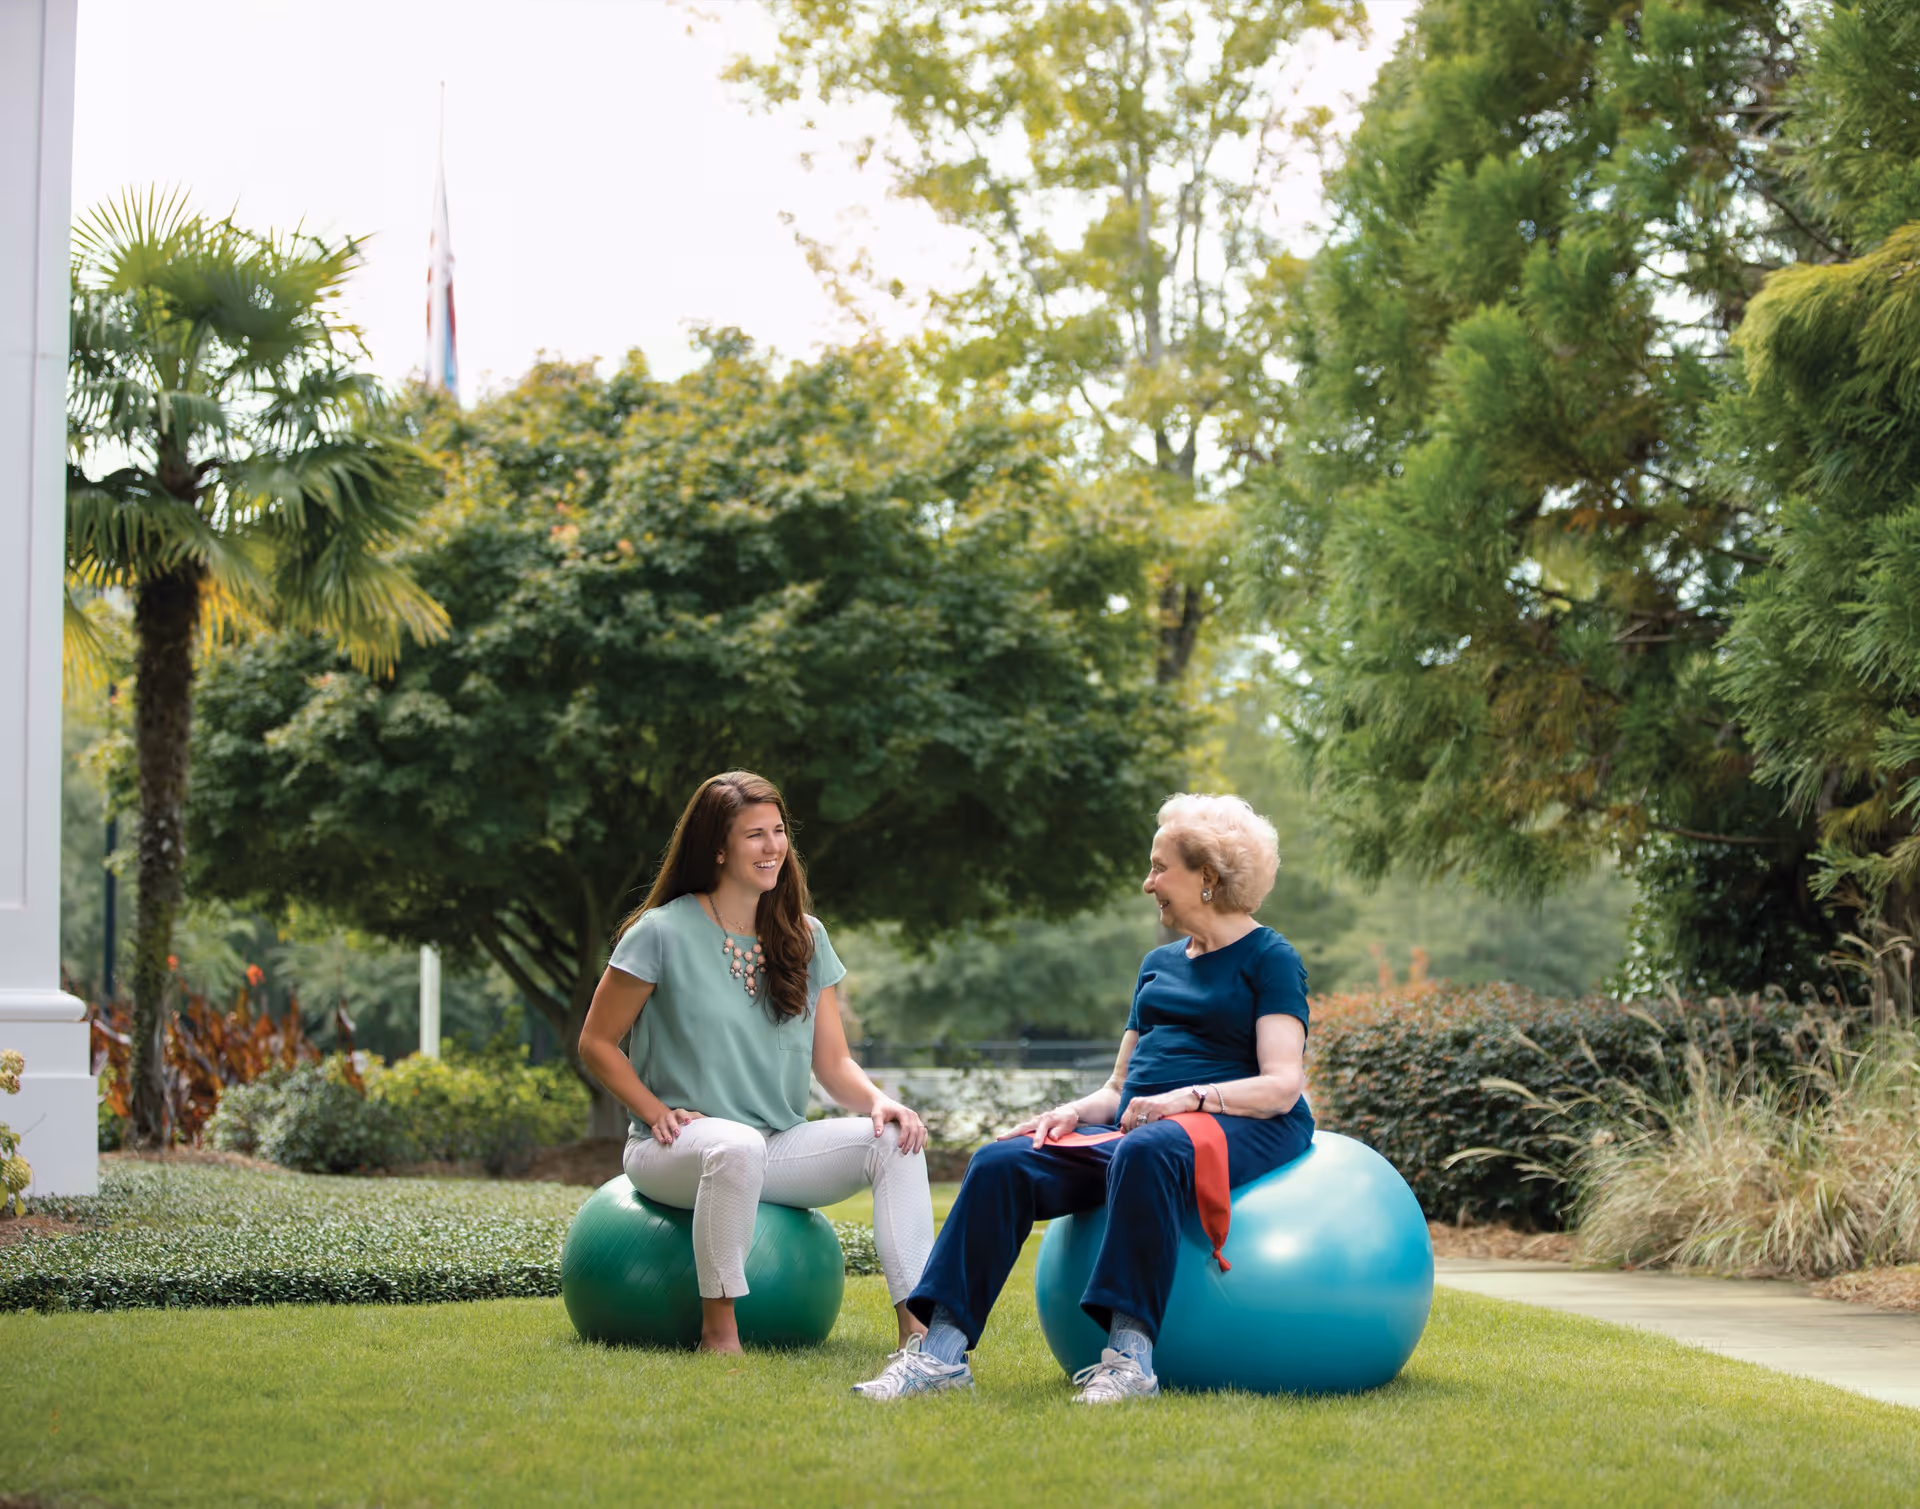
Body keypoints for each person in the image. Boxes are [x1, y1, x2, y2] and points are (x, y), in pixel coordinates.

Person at [851, 792, 1313, 1403]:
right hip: (1145, 1131)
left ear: (1206, 877)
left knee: (1146, 1149)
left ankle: (1130, 1362)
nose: (1148, 883)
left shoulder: (1270, 957)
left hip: (1238, 1121)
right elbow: (1121, 1089)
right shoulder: (1157, 965)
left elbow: (1282, 1085)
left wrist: (1187, 1100)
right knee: (1000, 1162)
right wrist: (1070, 1113)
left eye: (1159, 867)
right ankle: (940, 1356)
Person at [578, 770, 934, 1355]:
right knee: (735, 1145)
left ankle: (919, 1335)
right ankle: (720, 1334)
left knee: (894, 1141)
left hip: (775, 1144)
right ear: (717, 848)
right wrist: (653, 1110)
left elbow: (833, 1062)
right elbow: (596, 1041)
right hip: (672, 1148)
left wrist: (879, 1102)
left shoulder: (805, 936)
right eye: (754, 835)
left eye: (778, 832)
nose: (773, 847)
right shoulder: (659, 933)